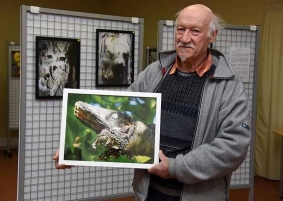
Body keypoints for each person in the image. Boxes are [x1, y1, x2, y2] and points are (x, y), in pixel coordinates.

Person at [54, 4, 251, 201]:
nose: (184, 38)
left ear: (212, 35)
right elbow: (117, 118)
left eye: (195, 31)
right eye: (181, 29)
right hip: (149, 193)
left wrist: (176, 168)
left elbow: (234, 146)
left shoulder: (228, 86)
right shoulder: (154, 73)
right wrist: (71, 150)